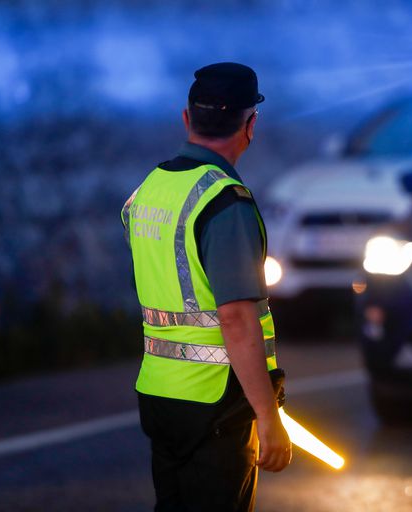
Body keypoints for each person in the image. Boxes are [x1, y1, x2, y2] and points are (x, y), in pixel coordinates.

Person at [121, 62, 291, 511]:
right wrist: (268, 416)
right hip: (214, 402)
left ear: (186, 118)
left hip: (159, 391)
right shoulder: (224, 201)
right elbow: (236, 319)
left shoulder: (149, 190)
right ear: (250, 125)